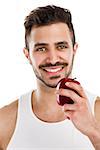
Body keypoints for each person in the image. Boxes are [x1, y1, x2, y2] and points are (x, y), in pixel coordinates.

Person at [0, 5, 100, 150]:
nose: (53, 59)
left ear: (74, 50)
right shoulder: (4, 122)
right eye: (41, 48)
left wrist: (94, 132)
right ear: (27, 55)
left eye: (61, 46)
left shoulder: (98, 113)